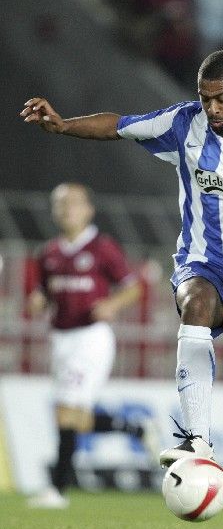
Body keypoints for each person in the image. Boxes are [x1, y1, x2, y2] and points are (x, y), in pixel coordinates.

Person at [21, 50, 223, 529]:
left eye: (221, 99)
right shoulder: (184, 123)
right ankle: (199, 441)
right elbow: (118, 126)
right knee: (196, 304)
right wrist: (62, 126)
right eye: (204, 98)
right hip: (204, 264)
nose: (211, 108)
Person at [26, 183, 145, 508]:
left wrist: (112, 305)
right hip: (60, 338)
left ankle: (57, 490)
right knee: (72, 416)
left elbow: (133, 288)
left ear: (89, 209)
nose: (67, 210)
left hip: (90, 338)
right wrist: (38, 299)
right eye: (61, 204)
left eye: (73, 204)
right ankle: (130, 427)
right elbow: (43, 292)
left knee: (65, 411)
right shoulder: (48, 252)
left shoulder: (102, 247)